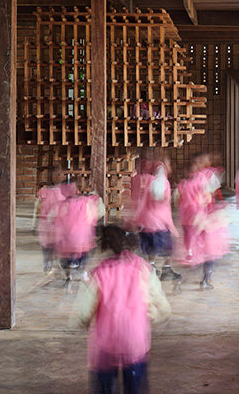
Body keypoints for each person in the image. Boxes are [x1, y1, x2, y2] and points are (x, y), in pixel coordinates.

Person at [72, 225, 171, 394]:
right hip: (135, 342)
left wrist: (81, 321)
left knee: (104, 388)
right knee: (135, 388)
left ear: (104, 246)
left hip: (105, 346)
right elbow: (160, 303)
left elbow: (84, 310)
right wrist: (157, 315)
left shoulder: (98, 273)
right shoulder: (142, 269)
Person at [174, 155, 229, 290]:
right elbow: (208, 198)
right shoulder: (202, 181)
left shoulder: (182, 185)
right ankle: (206, 278)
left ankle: (192, 254)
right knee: (209, 249)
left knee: (193, 240)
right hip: (202, 219)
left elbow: (176, 200)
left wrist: (182, 209)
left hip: (190, 219)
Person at [133, 157, 181, 282]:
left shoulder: (149, 181)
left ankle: (152, 268)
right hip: (157, 223)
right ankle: (166, 269)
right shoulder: (164, 183)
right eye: (169, 164)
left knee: (151, 248)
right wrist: (171, 226)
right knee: (169, 247)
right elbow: (164, 207)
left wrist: (138, 220)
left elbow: (142, 202)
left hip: (145, 223)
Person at [55, 178, 104, 283]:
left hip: (65, 242)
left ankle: (68, 274)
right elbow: (92, 217)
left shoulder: (61, 205)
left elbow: (57, 221)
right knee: (87, 250)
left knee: (63, 254)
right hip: (81, 242)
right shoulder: (85, 202)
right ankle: (82, 271)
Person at [32, 167, 67, 274]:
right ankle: (56, 264)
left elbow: (36, 209)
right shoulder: (63, 192)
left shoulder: (43, 192)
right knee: (55, 246)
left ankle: (48, 264)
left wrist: (34, 224)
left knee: (47, 247)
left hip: (47, 225)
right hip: (55, 226)